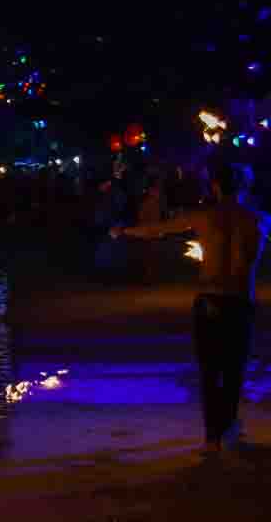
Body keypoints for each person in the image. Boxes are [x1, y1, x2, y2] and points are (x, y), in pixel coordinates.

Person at [115, 162, 269, 451]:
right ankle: (228, 429)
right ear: (245, 187)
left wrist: (124, 231)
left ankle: (213, 437)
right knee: (234, 369)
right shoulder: (260, 219)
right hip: (239, 300)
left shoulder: (204, 216)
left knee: (211, 370)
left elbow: (157, 229)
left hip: (210, 299)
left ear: (214, 185)